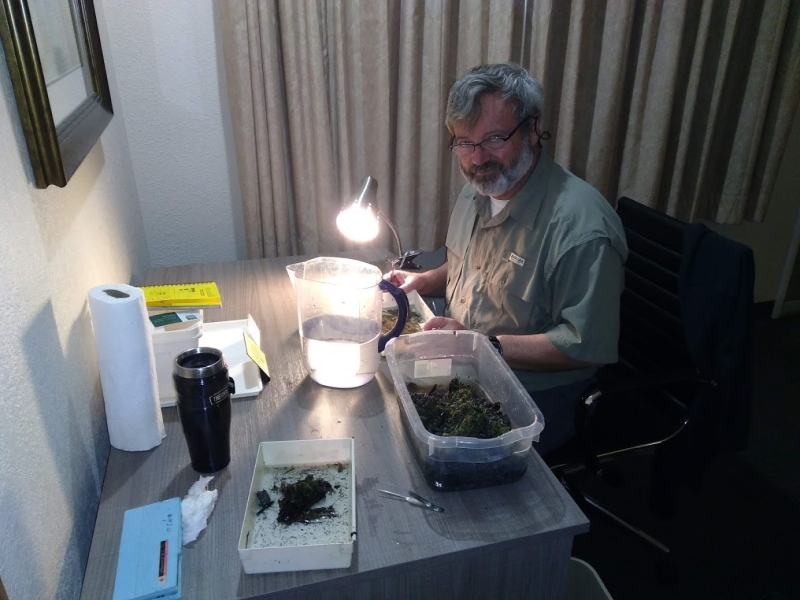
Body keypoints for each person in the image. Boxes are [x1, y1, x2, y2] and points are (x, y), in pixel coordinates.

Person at [387, 63, 629, 455]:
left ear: (533, 129)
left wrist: (481, 345)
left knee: (419, 463)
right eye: (464, 142)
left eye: (494, 138)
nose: (477, 157)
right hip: (462, 362)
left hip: (531, 394)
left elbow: (582, 346)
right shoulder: (478, 191)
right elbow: (479, 267)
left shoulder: (582, 231)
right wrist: (426, 280)